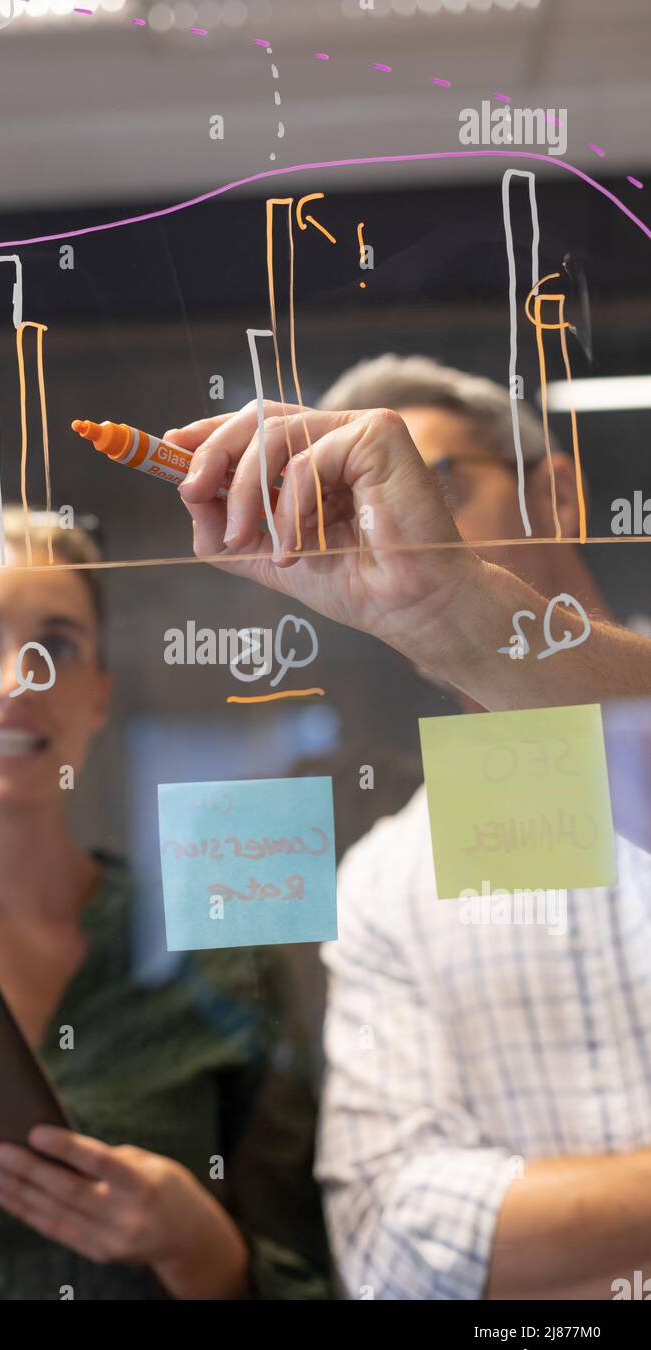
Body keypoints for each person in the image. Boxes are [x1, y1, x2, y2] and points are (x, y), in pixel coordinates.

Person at [166, 356, 651, 1299]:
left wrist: (455, 608)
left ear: (557, 490)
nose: (399, 528)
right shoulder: (389, 880)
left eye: (443, 486)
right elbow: (394, 1249)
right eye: (343, 513)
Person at [0, 508, 330, 1301]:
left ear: (99, 693)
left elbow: (315, 1279)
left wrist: (201, 1249)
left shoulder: (215, 950)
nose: (17, 680)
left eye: (57, 647)